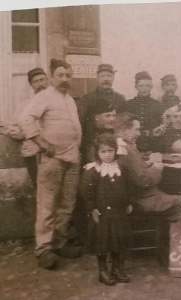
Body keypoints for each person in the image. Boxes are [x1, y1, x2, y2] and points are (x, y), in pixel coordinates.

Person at [18, 59, 82, 269]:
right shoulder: (44, 97)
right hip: (52, 159)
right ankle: (44, 248)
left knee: (67, 204)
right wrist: (42, 142)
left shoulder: (69, 99)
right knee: (47, 204)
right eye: (60, 75)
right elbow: (25, 119)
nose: (65, 79)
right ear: (51, 77)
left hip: (72, 158)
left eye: (68, 76)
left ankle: (60, 242)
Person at [115, 112, 181, 222]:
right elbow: (144, 181)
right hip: (142, 200)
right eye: (136, 129)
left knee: (171, 192)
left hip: (134, 198)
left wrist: (148, 162)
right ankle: (174, 237)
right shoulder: (125, 149)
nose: (139, 133)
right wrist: (156, 166)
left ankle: (165, 234)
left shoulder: (117, 144)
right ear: (124, 129)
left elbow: (133, 171)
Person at [80, 133, 133, 286]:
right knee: (102, 242)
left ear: (115, 150)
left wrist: (128, 202)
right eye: (103, 152)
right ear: (97, 153)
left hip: (118, 212)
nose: (108, 155)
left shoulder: (121, 168)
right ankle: (103, 271)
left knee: (117, 241)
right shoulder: (93, 170)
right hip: (102, 214)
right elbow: (86, 193)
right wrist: (92, 209)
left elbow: (127, 187)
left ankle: (116, 268)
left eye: (110, 151)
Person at [3, 67, 48, 187]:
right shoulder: (25, 105)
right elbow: (9, 127)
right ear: (31, 85)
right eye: (35, 81)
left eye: (42, 80)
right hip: (33, 153)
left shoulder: (56, 100)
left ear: (47, 80)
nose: (40, 84)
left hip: (53, 151)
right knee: (39, 187)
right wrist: (27, 132)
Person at [79, 64, 127, 157]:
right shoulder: (87, 98)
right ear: (97, 78)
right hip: (93, 144)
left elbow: (124, 123)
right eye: (102, 76)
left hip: (115, 143)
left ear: (113, 77)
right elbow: (82, 123)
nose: (106, 79)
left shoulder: (120, 98)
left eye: (109, 76)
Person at [126, 71, 163, 152]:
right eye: (141, 86)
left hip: (153, 144)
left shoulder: (157, 104)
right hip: (133, 144)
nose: (144, 89)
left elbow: (160, 126)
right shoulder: (128, 104)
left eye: (147, 85)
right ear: (136, 87)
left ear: (151, 87)